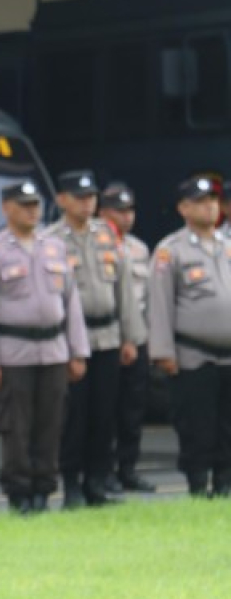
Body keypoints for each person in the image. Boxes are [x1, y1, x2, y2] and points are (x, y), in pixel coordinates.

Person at [0, 180, 89, 514]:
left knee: (50, 425)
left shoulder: (55, 247)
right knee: (16, 427)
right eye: (24, 205)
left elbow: (71, 301)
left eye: (35, 204)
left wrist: (78, 351)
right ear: (6, 208)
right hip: (13, 351)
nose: (32, 211)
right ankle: (19, 493)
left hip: (53, 349)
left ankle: (44, 490)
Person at [43, 170, 143, 508]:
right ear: (62, 200)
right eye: (79, 197)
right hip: (74, 338)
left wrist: (130, 337)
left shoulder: (107, 235)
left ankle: (97, 482)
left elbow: (124, 288)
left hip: (108, 335)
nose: (87, 203)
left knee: (104, 415)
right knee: (75, 416)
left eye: (91, 197)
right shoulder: (51, 240)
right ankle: (71, 483)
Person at [148, 175, 231, 498]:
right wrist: (163, 351)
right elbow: (160, 304)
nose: (209, 207)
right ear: (183, 208)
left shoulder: (227, 245)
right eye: (200, 202)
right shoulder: (171, 250)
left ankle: (224, 483)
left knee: (227, 425)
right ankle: (198, 484)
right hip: (193, 354)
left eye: (212, 201)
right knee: (197, 424)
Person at [98, 183, 157, 493]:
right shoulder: (95, 246)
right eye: (119, 211)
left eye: (130, 210)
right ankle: (103, 470)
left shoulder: (139, 249)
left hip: (138, 337)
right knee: (105, 409)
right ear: (102, 213)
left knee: (133, 410)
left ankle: (128, 468)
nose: (126, 217)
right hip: (107, 337)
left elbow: (148, 299)